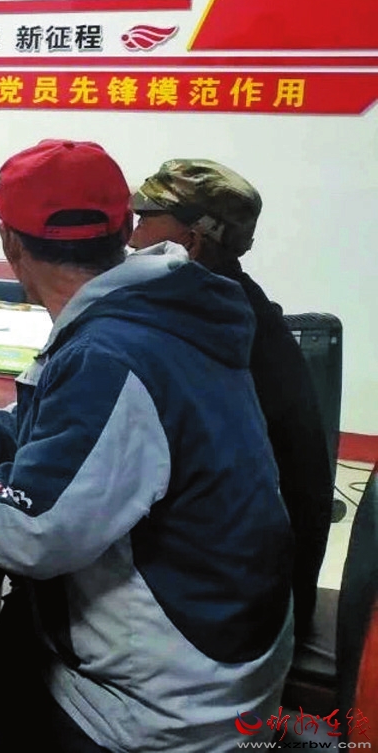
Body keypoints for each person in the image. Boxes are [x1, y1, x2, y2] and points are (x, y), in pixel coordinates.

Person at [0, 140, 293, 752]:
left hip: (159, 713)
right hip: (215, 662)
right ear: (123, 227)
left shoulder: (112, 352)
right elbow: (66, 428)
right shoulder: (161, 310)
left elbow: (29, 532)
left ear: (10, 242)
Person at [131, 158, 332, 650]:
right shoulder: (235, 305)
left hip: (237, 618)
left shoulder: (209, 333)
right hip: (252, 586)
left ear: (190, 241)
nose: (133, 239)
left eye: (145, 220)